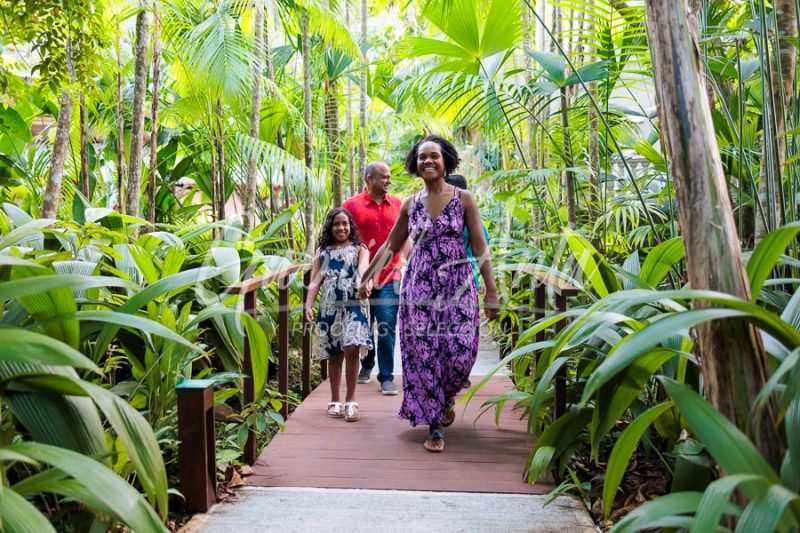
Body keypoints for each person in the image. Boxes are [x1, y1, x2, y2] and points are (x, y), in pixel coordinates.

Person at [360, 135, 499, 453]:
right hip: (419, 289)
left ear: (445, 160)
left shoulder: (464, 199)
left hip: (457, 286)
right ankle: (434, 425)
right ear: (415, 163)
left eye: (434, 156)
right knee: (423, 356)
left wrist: (491, 290)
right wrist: (366, 278)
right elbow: (390, 246)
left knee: (461, 352)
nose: (428, 161)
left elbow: (480, 246)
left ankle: (446, 396)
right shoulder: (410, 203)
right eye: (422, 157)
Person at [305, 207, 373, 422]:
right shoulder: (322, 251)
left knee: (352, 348)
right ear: (330, 227)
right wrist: (308, 305)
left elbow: (364, 269)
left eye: (345, 223)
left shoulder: (360, 249)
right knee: (335, 352)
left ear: (350, 226)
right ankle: (334, 399)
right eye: (336, 224)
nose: (341, 228)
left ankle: (351, 400)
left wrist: (364, 283)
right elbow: (315, 280)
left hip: (354, 302)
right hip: (330, 305)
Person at [343, 162, 402, 396]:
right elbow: (345, 238)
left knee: (387, 324)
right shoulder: (351, 205)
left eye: (389, 177)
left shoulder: (398, 204)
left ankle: (386, 376)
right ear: (370, 179)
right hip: (361, 275)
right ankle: (367, 364)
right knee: (364, 324)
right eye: (384, 177)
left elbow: (405, 236)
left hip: (391, 274)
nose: (389, 181)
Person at [443, 174, 491, 390]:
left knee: (464, 329)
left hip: (466, 276)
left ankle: (461, 371)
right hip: (445, 279)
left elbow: (482, 247)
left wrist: (485, 283)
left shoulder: (470, 217)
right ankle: (451, 373)